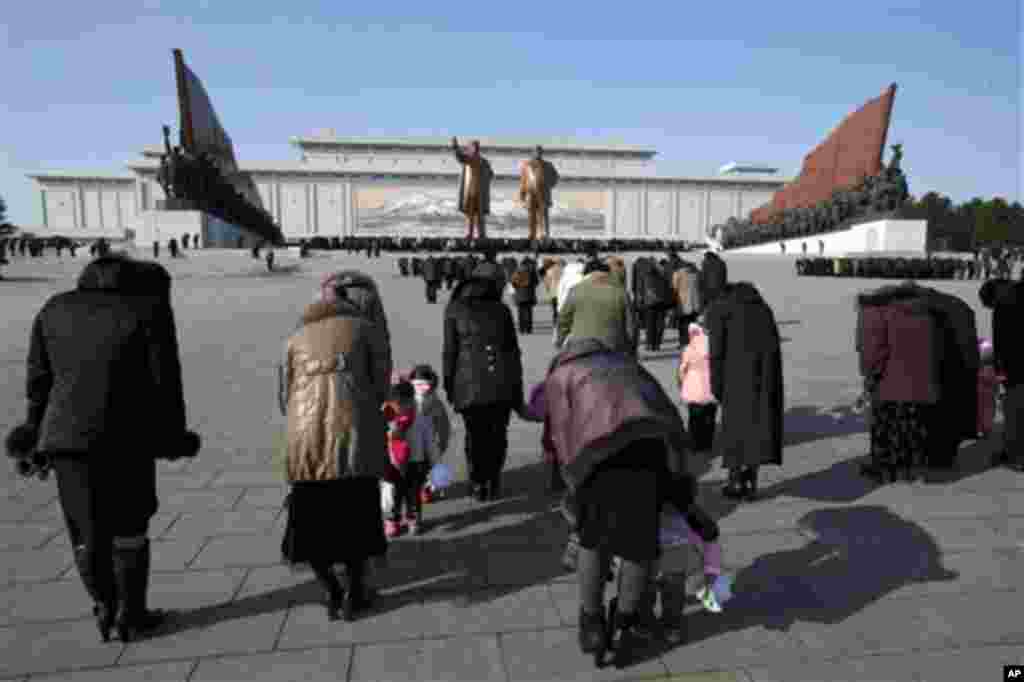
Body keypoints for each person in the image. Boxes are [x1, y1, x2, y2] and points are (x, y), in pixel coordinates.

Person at [9, 254, 200, 643]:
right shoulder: (145, 309)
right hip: (127, 437)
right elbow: (165, 381)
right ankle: (132, 614)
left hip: (66, 440)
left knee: (85, 529)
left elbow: (38, 380)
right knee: (130, 523)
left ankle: (103, 606)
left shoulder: (54, 308)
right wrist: (174, 435)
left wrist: (33, 431)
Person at [540, 337, 696, 666]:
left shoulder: (562, 375)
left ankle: (592, 621)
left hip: (598, 457)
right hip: (650, 449)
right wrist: (680, 469)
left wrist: (572, 485)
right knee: (639, 542)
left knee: (592, 538)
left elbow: (559, 436)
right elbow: (666, 410)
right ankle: (626, 622)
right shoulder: (626, 364)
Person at [278, 271, 391, 622]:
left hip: (306, 443)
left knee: (311, 523)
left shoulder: (295, 336)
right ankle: (355, 593)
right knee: (357, 519)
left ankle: (330, 589)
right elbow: (380, 388)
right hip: (353, 438)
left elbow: (284, 396)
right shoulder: (366, 330)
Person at [443, 270, 524, 501]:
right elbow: (513, 354)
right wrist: (517, 390)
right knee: (498, 434)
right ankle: (493, 480)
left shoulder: (454, 309)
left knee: (475, 435)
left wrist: (450, 385)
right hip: (502, 382)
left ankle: (478, 481)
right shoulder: (502, 310)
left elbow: (450, 352)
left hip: (468, 384)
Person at [857, 282, 943, 482]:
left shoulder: (885, 315)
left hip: (889, 384)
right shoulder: (928, 315)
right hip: (923, 385)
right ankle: (911, 469)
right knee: (913, 428)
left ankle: (885, 469)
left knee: (887, 429)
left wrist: (870, 375)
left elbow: (876, 351)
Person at [705, 282, 783, 500]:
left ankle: (735, 480)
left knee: (735, 430)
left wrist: (716, 385)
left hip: (735, 378)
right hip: (765, 378)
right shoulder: (763, 309)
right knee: (757, 428)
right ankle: (750, 479)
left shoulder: (724, 310)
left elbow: (716, 353)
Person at [980, 278, 1024, 470]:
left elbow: (1002, 346)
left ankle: (1016, 456)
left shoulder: (1004, 307)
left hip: (1016, 370)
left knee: (1014, 412)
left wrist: (1001, 375)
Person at [382, 380, 434, 537]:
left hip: (415, 462)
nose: (403, 407)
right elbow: (376, 440)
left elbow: (429, 441)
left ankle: (413, 519)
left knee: (413, 494)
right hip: (393, 464)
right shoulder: (386, 418)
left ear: (412, 400)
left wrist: (433, 463)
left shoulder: (420, 418)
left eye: (406, 403)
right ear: (391, 403)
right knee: (394, 495)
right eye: (398, 404)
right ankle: (393, 520)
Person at [556, 259, 635, 353]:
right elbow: (631, 325)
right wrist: (631, 349)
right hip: (613, 347)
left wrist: (560, 341)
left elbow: (563, 321)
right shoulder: (621, 292)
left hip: (581, 347)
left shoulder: (575, 290)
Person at [409, 364, 452, 501]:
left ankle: (425, 488)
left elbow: (444, 425)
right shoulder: (407, 400)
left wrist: (443, 442)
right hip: (411, 443)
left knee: (428, 467)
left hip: (429, 444)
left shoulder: (435, 403)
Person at [678, 322, 717, 452]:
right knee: (710, 417)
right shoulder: (713, 348)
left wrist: (681, 383)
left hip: (693, 387)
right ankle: (707, 444)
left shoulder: (689, 349)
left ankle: (695, 444)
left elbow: (682, 369)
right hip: (710, 387)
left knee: (695, 418)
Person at [452, 137, 493, 241]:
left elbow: (490, 174)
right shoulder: (478, 160)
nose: (472, 149)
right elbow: (460, 157)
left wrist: (456, 147)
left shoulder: (479, 160)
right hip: (473, 191)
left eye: (473, 147)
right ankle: (476, 235)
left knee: (477, 215)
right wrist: (455, 147)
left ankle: (478, 235)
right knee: (473, 215)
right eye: (471, 147)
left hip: (476, 192)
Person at [519, 146, 560, 241]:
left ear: (542, 153)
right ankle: (531, 234)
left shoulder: (548, 165)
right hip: (530, 193)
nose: (538, 153)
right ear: (532, 153)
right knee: (531, 216)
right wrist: (522, 194)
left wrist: (548, 186)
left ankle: (544, 234)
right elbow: (523, 181)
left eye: (539, 152)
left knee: (543, 215)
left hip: (543, 193)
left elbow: (555, 177)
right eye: (536, 152)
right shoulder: (526, 165)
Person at [671, 261, 702, 348]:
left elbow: (674, 288)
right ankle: (692, 342)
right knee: (693, 324)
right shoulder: (698, 273)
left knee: (682, 324)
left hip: (682, 303)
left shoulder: (678, 274)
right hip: (695, 303)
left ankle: (683, 342)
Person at [977, 338, 1003, 439]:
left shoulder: (983, 369)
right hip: (987, 393)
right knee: (987, 412)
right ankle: (985, 429)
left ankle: (983, 429)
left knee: (984, 412)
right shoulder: (990, 368)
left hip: (984, 393)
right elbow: (994, 381)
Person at [511, 260, 538, 334]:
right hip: (529, 294)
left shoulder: (517, 271)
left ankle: (522, 328)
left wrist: (517, 288)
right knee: (529, 312)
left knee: (520, 312)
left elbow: (513, 282)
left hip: (519, 295)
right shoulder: (532, 271)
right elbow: (536, 282)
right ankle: (528, 329)